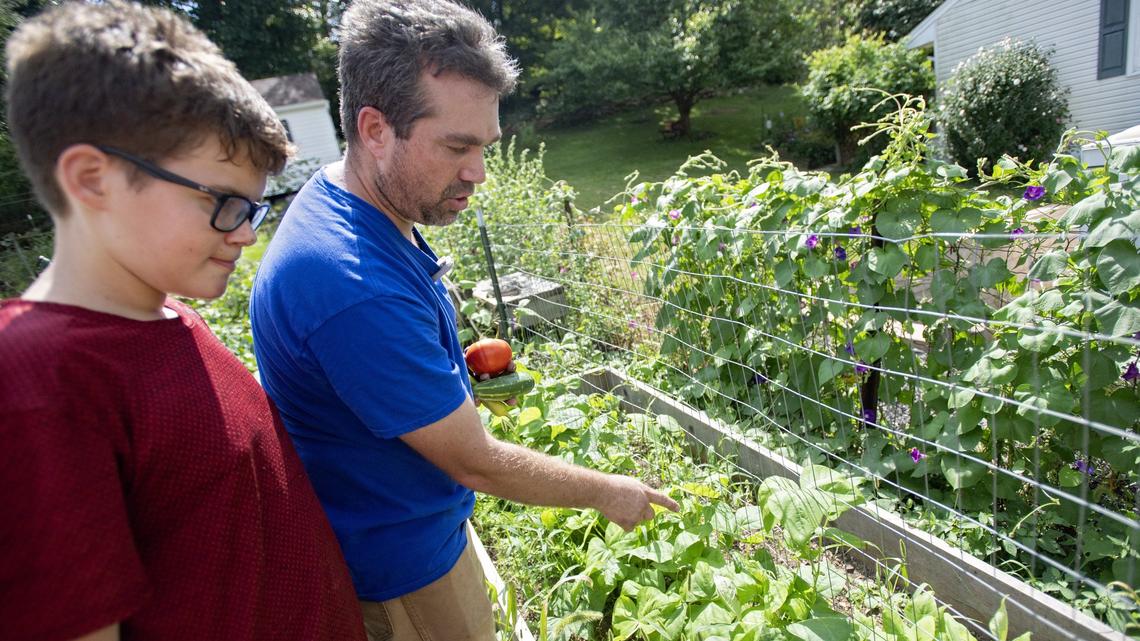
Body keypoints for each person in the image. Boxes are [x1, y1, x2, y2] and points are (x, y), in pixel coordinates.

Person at [248, 0, 680, 639]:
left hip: (411, 519)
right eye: (456, 146)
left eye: (484, 145)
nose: (477, 173)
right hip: (404, 567)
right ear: (375, 130)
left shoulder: (357, 202)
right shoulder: (352, 283)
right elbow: (474, 461)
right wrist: (607, 490)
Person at [0, 3, 366, 641]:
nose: (248, 234)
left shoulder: (169, 314)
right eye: (224, 203)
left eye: (254, 206)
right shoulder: (37, 384)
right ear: (93, 179)